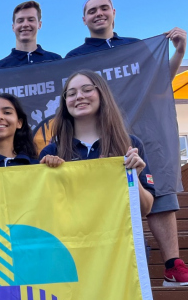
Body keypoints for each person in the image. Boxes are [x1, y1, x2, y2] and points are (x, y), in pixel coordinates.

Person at [66, 0, 188, 285]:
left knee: (156, 188)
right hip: (98, 135)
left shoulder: (135, 47)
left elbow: (159, 81)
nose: (98, 13)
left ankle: (172, 264)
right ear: (83, 19)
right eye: (92, 10)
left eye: (103, 8)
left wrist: (179, 53)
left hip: (142, 128)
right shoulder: (74, 57)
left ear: (113, 12)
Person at [39, 70, 155, 216]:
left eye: (87, 90)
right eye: (71, 94)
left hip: (120, 238)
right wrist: (46, 176)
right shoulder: (51, 152)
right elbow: (44, 211)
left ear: (102, 94)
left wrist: (132, 178)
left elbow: (145, 210)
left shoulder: (130, 144)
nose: (79, 96)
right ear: (65, 102)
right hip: (72, 238)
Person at [0, 1, 62, 68]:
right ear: (13, 27)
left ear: (39, 25)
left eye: (31, 20)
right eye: (20, 21)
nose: (25, 24)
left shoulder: (56, 61)